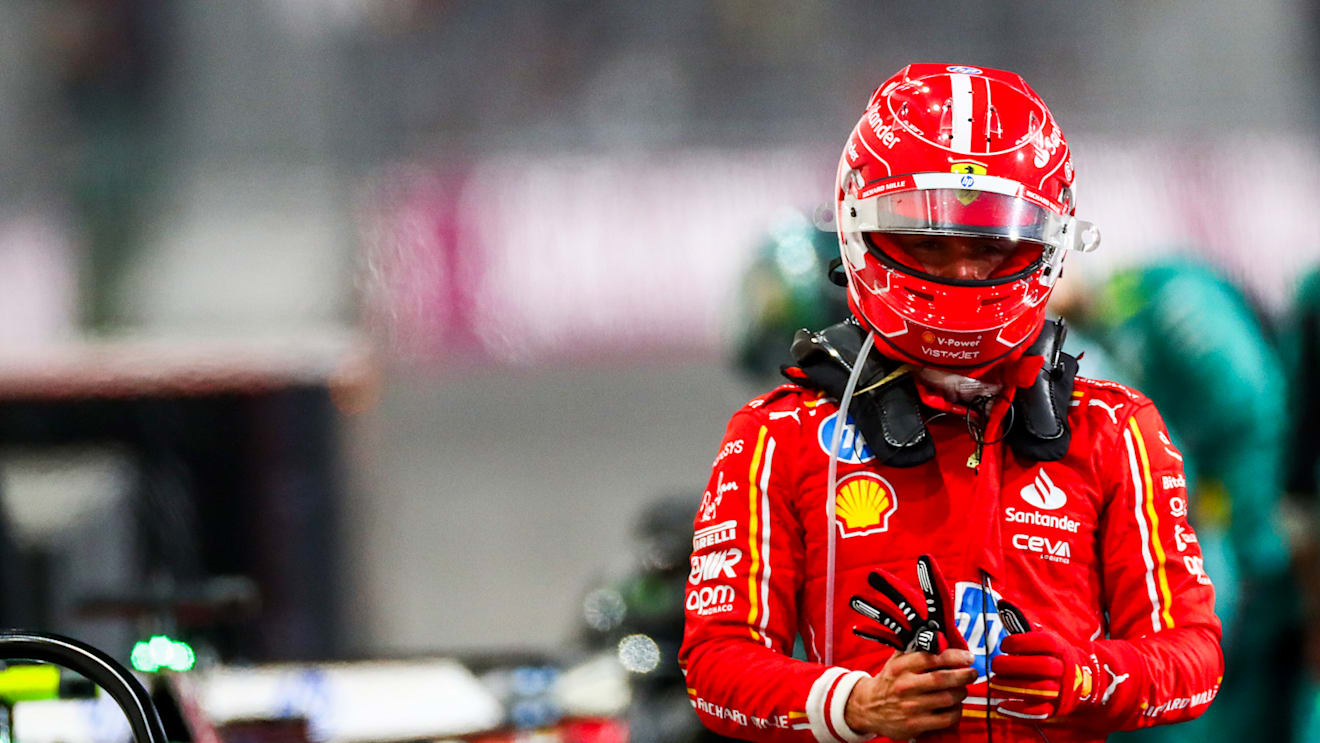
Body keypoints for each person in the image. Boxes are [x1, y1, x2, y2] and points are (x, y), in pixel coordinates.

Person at [679, 64, 1223, 743]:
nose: (964, 270)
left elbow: (1197, 658)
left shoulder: (1116, 428)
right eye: (929, 242)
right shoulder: (775, 435)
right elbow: (713, 662)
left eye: (992, 246)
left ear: (1049, 245)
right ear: (857, 231)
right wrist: (855, 702)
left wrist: (1086, 676)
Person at [1058, 259, 1299, 743]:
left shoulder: (1166, 297)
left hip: (1226, 548)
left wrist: (1259, 548)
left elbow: (1252, 413)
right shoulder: (1103, 325)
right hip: (1176, 538)